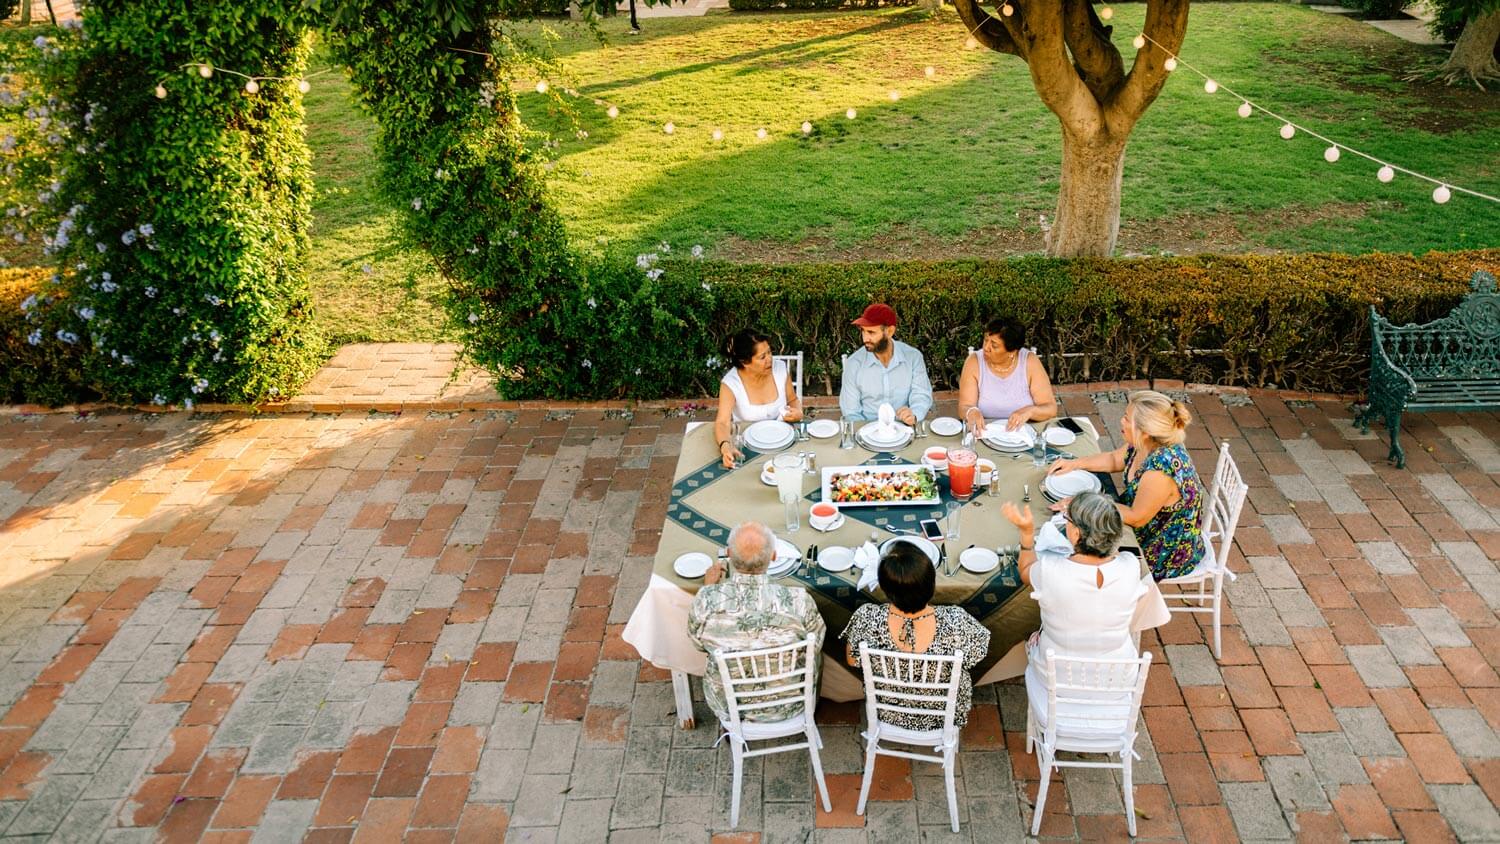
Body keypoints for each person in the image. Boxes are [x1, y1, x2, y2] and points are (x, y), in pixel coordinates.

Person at [1000, 494, 1146, 710]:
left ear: (1076, 533)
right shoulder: (1131, 566)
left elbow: (1025, 571)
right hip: (1116, 680)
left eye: (1067, 518)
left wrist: (1027, 535)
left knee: (1032, 636)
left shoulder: (1050, 570)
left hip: (1057, 678)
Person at [1046, 390, 1205, 580]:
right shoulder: (1145, 443)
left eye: (1127, 419)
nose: (1121, 421)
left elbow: (1136, 517)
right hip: (1140, 522)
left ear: (1145, 431)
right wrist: (1075, 463)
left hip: (1160, 547)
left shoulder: (1160, 471)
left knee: (1079, 551)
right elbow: (1114, 459)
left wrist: (1084, 503)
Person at [688, 521, 825, 724]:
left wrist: (708, 589)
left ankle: (733, 728)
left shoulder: (706, 600)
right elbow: (817, 643)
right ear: (774, 556)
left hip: (731, 705)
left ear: (729, 555)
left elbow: (698, 643)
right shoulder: (799, 600)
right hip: (792, 703)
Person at [840, 543, 988, 729]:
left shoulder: (866, 618)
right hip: (943, 715)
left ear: (885, 588)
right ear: (932, 585)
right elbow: (978, 655)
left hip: (888, 712)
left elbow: (853, 661)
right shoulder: (957, 621)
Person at [714, 329, 804, 469]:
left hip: (783, 443)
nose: (770, 359)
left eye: (769, 352)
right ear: (745, 362)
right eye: (762, 357)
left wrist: (798, 412)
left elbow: (792, 400)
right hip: (748, 451)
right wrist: (725, 446)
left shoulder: (780, 369)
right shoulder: (731, 383)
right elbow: (722, 422)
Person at [957, 318, 1057, 436]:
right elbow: (964, 406)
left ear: (1012, 352)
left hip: (1023, 433)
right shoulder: (974, 362)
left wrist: (1030, 411)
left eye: (994, 345)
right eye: (985, 340)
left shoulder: (1030, 362)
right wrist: (971, 412)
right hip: (985, 432)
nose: (986, 348)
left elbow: (1050, 408)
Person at [838, 303, 933, 426]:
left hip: (904, 427)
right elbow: (851, 411)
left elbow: (921, 395)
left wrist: (913, 414)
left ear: (890, 331)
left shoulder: (913, 357)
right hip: (867, 430)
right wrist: (866, 432)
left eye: (871, 332)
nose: (865, 338)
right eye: (863, 331)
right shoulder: (854, 364)